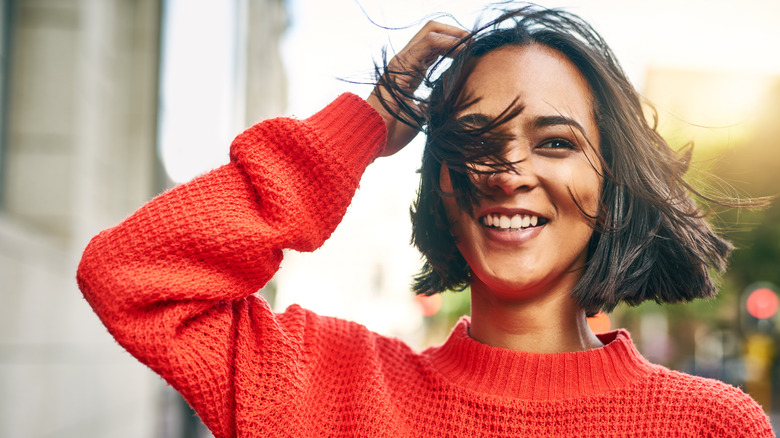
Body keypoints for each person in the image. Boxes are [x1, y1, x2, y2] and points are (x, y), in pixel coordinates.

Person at [77, 4, 774, 437]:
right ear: (440, 182)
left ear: (610, 180)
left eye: (554, 141)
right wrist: (367, 123)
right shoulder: (321, 386)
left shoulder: (708, 426)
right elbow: (130, 275)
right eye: (474, 142)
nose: (508, 171)